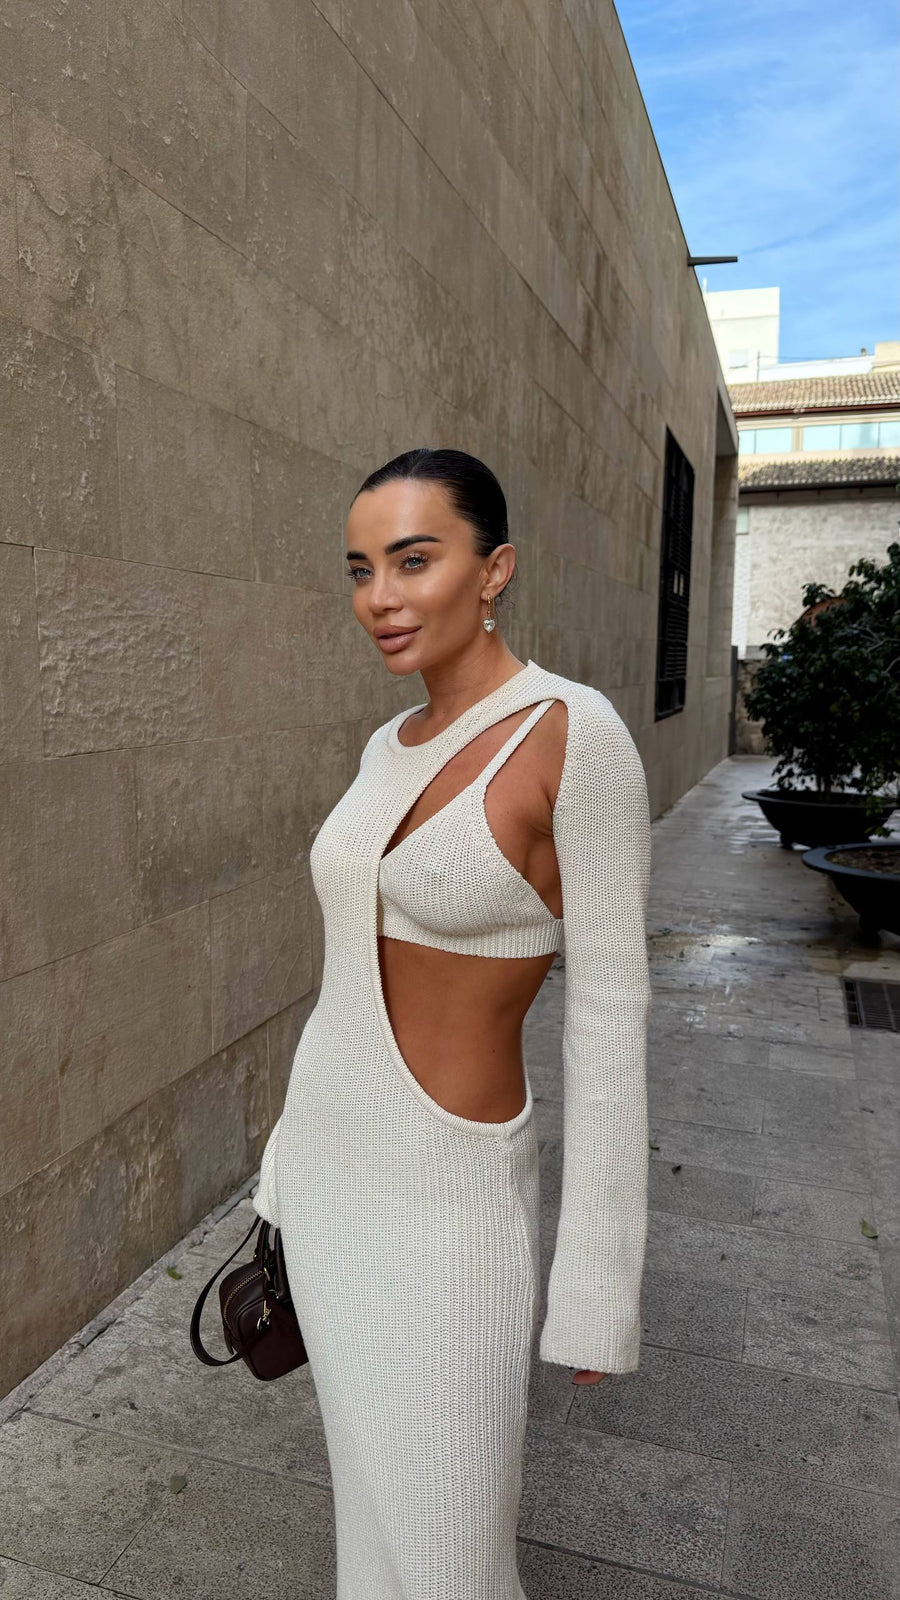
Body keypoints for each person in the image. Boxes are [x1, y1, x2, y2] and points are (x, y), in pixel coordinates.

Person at [251, 447, 652, 1599]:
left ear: (495, 571)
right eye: (361, 568)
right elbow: (344, 979)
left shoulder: (578, 735)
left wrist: (596, 1285)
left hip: (449, 1204)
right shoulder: (388, 744)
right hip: (330, 1179)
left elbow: (613, 1012)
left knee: (449, 1553)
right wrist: (284, 1165)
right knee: (371, 1530)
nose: (381, 596)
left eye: (414, 560)